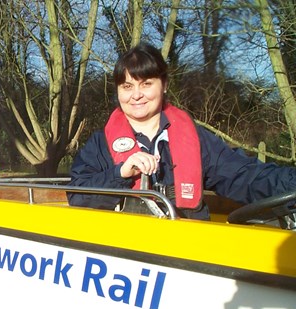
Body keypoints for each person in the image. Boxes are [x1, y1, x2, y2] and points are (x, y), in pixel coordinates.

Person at [68, 43, 296, 220]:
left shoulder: (196, 139)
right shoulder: (99, 143)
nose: (136, 95)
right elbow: (77, 196)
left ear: (164, 85)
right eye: (127, 86)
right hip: (126, 254)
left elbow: (246, 177)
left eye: (146, 84)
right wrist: (120, 174)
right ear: (118, 91)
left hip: (185, 248)